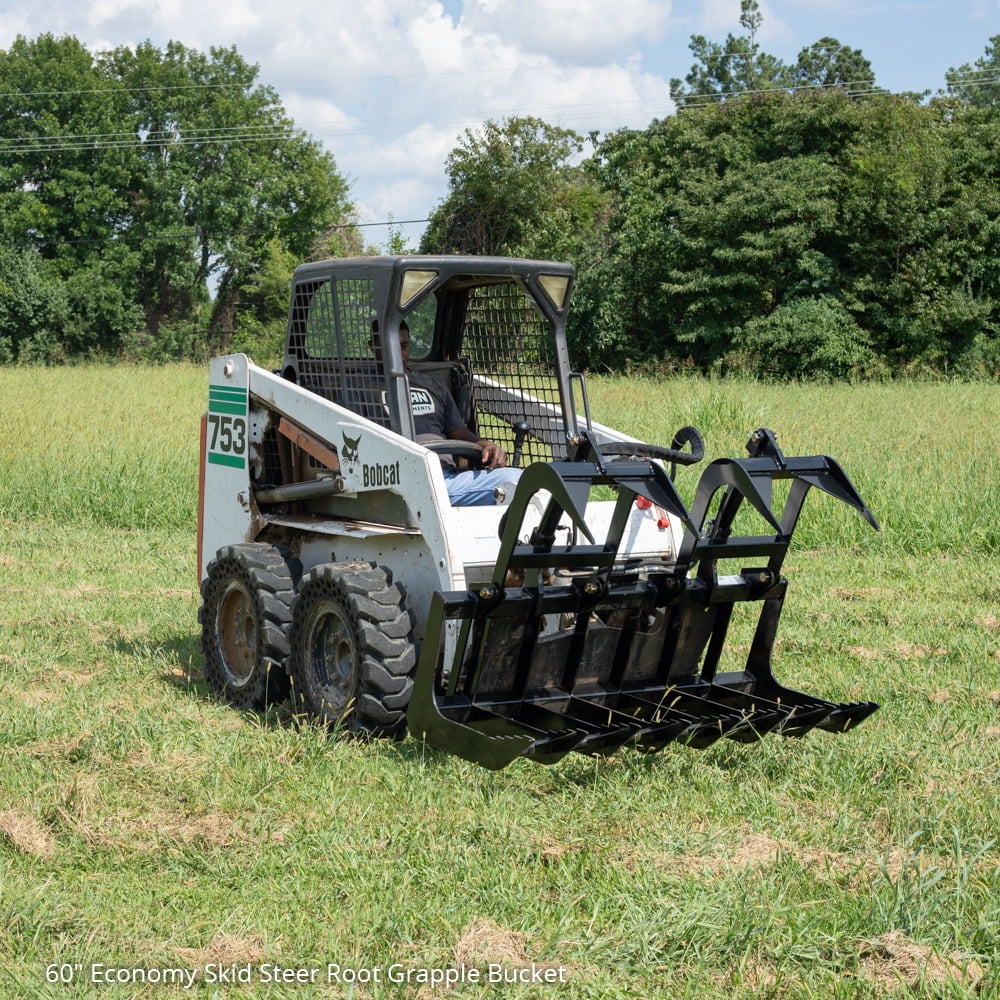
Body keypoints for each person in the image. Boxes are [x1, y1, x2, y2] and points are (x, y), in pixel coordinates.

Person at [391, 322, 521, 506]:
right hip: (404, 479)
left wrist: (485, 445)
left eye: (403, 346)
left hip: (446, 476)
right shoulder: (360, 390)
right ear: (373, 345)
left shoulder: (432, 384)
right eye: (389, 347)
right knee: (517, 482)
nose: (398, 354)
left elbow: (458, 432)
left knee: (531, 480)